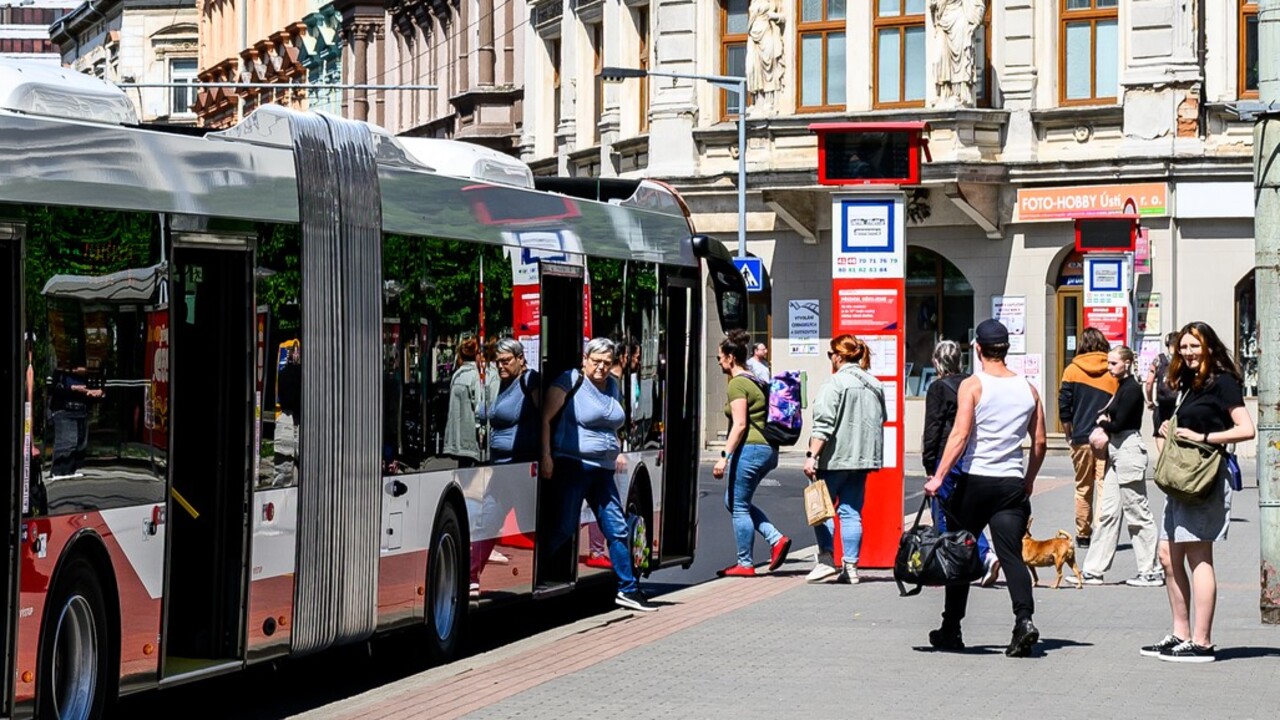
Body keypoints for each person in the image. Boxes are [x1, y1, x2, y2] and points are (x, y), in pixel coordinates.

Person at [924, 319, 1047, 658]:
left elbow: (960, 436)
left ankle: (951, 628)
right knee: (1010, 555)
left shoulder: (973, 386)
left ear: (978, 349)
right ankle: (1024, 621)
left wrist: (938, 477)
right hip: (1010, 484)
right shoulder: (1029, 389)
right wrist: (1029, 479)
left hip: (975, 481)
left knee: (961, 552)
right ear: (1006, 349)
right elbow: (1038, 442)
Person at [1144, 322, 1254, 663]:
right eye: (1184, 348)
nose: (1189, 353)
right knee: (1167, 555)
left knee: (1198, 556)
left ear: (1209, 347)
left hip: (1204, 478)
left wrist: (1201, 437)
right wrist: (1171, 427)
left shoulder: (1223, 382)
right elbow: (1189, 422)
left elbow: (1246, 429)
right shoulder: (1190, 382)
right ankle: (1180, 633)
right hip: (1181, 479)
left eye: (1194, 347)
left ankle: (1202, 641)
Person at [541, 338, 655, 612]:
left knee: (617, 528)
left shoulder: (613, 386)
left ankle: (628, 589)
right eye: (596, 362)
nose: (602, 368)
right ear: (585, 360)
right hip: (574, 466)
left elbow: (615, 423)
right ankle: (538, 566)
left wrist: (616, 447)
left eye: (606, 362)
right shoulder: (571, 381)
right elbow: (545, 417)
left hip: (603, 470)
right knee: (565, 527)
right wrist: (546, 456)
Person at [802, 334, 885, 584]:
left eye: (831, 354)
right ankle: (851, 567)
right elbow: (882, 419)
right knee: (851, 512)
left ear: (838, 356)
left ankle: (826, 559)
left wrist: (811, 456)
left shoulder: (835, 383)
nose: (831, 359)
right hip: (862, 459)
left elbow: (823, 424)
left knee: (822, 509)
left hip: (835, 458)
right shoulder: (874, 383)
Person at [1080, 346, 1162, 587]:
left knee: (1137, 511)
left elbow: (1122, 422)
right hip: (1117, 452)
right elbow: (1112, 420)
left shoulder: (1133, 389)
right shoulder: (1121, 387)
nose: (1109, 367)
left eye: (1114, 363)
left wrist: (1105, 422)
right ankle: (1093, 570)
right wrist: (1106, 421)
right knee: (1108, 513)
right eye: (1108, 363)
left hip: (1129, 451)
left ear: (1127, 363)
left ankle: (1151, 570)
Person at [713, 329, 791, 577]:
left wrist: (723, 457)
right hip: (767, 448)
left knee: (738, 506)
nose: (719, 361)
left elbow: (740, 424)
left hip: (751, 449)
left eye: (720, 357)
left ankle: (745, 563)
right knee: (735, 502)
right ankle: (775, 539)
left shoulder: (737, 384)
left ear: (730, 357)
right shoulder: (755, 379)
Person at [922, 340, 999, 587]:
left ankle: (959, 561)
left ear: (936, 361)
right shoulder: (971, 383)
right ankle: (984, 555)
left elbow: (933, 428)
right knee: (966, 510)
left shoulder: (938, 388)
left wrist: (929, 465)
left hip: (946, 456)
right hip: (971, 454)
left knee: (944, 512)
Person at [470, 338, 540, 597]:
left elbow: (546, 417)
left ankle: (554, 565)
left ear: (521, 359)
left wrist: (544, 457)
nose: (500, 366)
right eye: (497, 361)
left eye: (506, 361)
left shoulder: (530, 381)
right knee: (487, 520)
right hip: (500, 469)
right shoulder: (502, 384)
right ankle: (470, 577)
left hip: (521, 467)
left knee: (528, 523)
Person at [1058, 327, 1116, 548]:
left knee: (1083, 486)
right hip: (1105, 437)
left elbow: (1064, 405)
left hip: (1081, 437)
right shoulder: (1111, 370)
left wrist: (1068, 433)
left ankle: (1083, 534)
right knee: (1103, 485)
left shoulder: (1072, 370)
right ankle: (1102, 532)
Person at [443, 337, 483, 467]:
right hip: (470, 434)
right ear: (476, 355)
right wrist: (481, 429)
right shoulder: (474, 375)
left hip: (456, 435)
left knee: (462, 468)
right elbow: (478, 405)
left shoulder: (456, 375)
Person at [745, 0, 785, 113]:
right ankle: (756, 100)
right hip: (753, 37)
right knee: (751, 69)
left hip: (767, 33)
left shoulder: (772, 1)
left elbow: (783, 17)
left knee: (768, 67)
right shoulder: (753, 1)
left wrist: (774, 16)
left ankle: (769, 101)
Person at [1145, 332, 1180, 455]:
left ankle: (1162, 458)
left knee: (1160, 433)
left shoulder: (1159, 359)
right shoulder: (1184, 360)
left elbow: (1149, 382)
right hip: (1179, 403)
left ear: (1167, 344)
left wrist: (1149, 401)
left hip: (1162, 403)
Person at [273, 342, 301, 486]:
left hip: (286, 419)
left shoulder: (283, 373)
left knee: (284, 472)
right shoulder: (303, 375)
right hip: (297, 419)